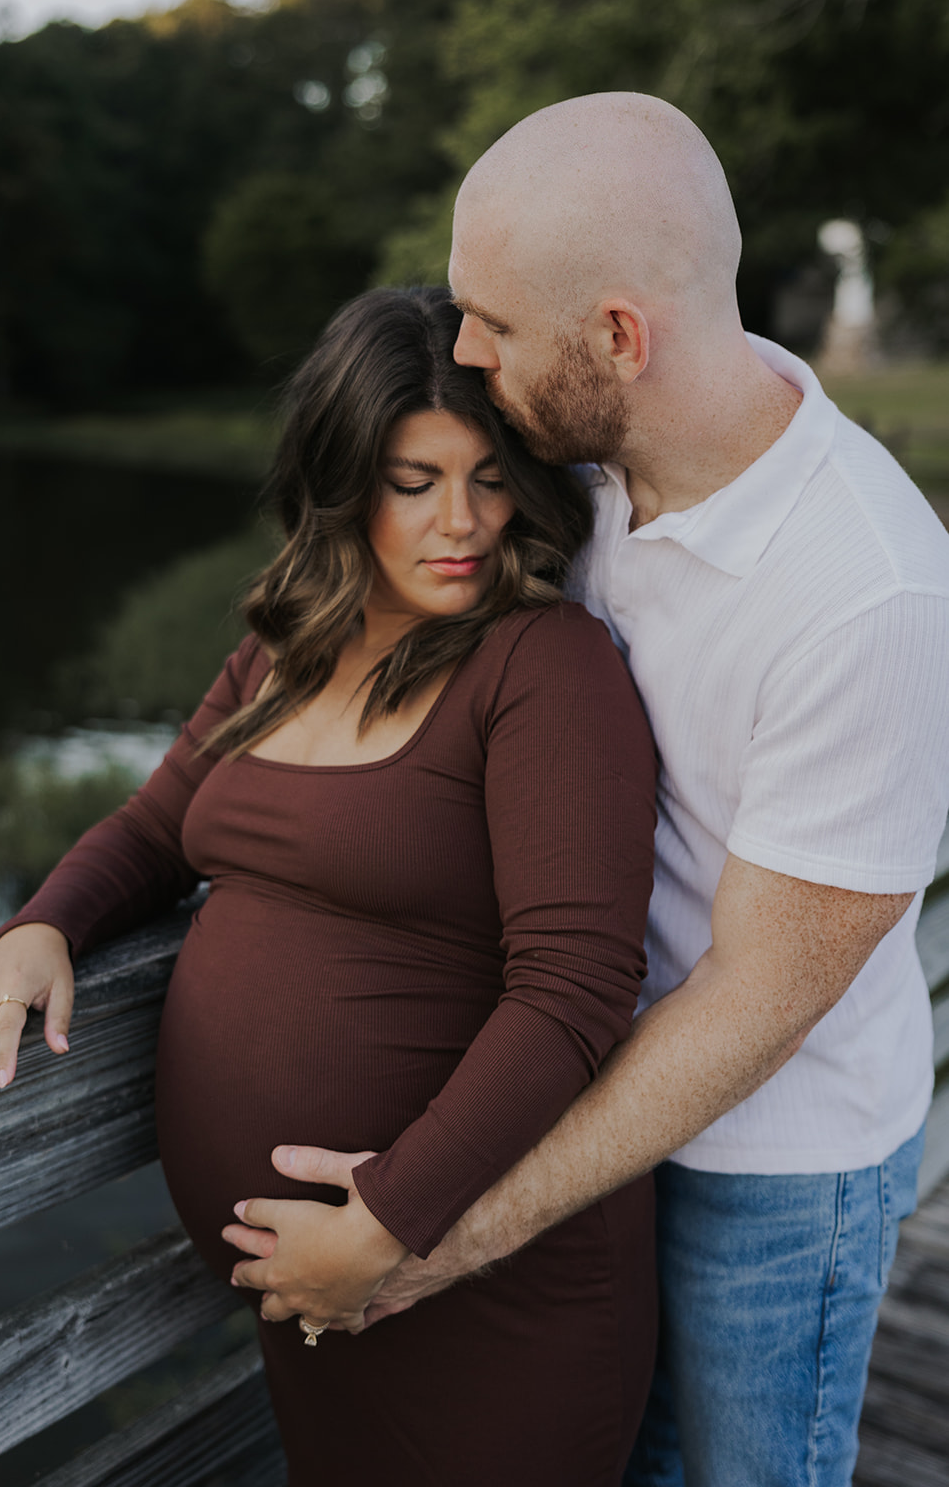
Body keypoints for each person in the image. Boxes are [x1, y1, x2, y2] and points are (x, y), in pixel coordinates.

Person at [224, 96, 949, 1487]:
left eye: (490, 322)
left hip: (766, 1168)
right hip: (582, 1096)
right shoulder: (588, 468)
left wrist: (426, 1235)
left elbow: (753, 1005)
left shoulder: (867, 596)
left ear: (619, 338)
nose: (465, 351)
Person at [0, 286, 660, 1487]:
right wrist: (43, 925)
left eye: (489, 476)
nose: (461, 520)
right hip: (313, 1292)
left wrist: (385, 1224)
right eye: (413, 480)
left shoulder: (541, 665)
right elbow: (155, 828)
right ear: (341, 478)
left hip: (476, 1288)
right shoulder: (286, 647)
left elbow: (574, 991)